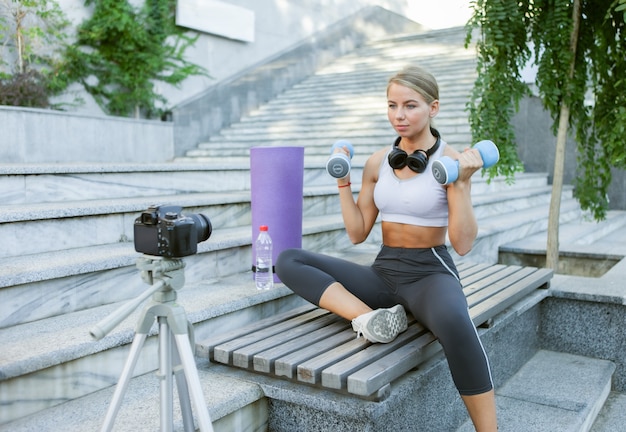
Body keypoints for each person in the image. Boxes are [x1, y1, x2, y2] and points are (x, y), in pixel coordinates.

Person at [275, 65, 498, 431]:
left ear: (433, 108)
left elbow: (462, 243)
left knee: (457, 325)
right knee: (288, 259)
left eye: (410, 105)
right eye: (392, 105)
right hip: (384, 271)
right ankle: (367, 319)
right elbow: (358, 232)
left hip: (430, 273)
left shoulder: (454, 162)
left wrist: (462, 185)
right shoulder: (378, 162)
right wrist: (343, 182)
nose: (399, 115)